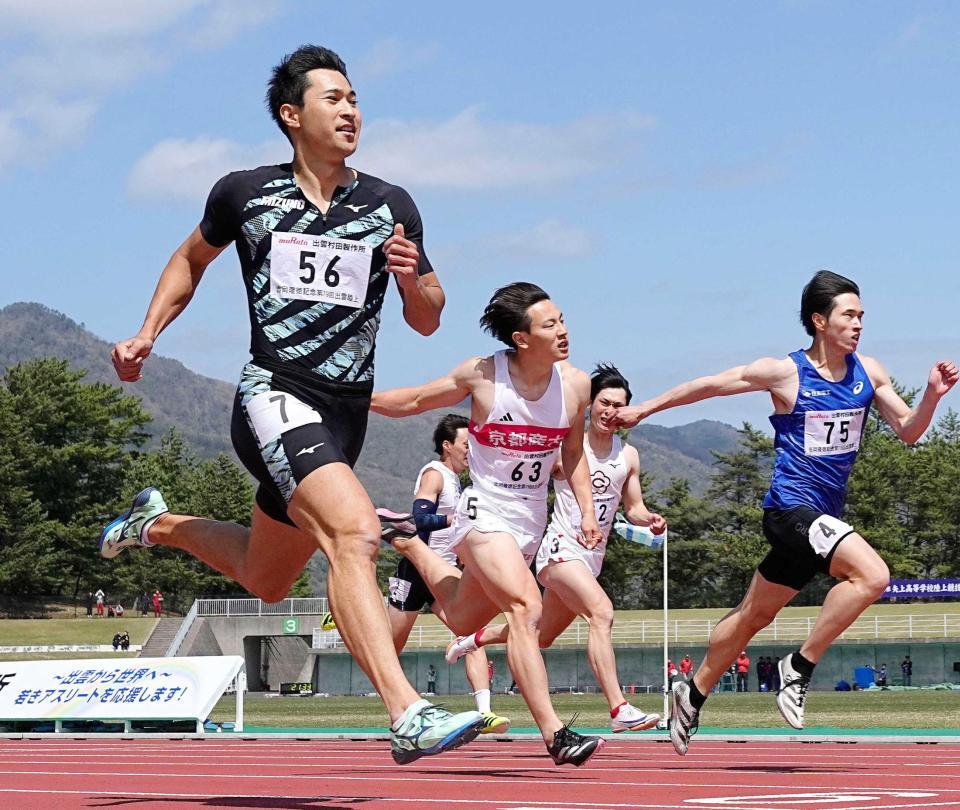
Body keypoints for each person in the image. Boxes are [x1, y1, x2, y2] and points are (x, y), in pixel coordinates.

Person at [98, 44, 482, 764]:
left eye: (355, 99)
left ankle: (157, 523)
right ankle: (406, 711)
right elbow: (190, 259)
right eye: (333, 98)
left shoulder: (390, 205)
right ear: (291, 114)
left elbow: (429, 314)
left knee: (266, 576)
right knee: (355, 533)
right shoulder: (244, 194)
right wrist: (146, 333)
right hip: (273, 394)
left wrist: (411, 281)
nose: (351, 111)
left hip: (346, 413)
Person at [615, 270, 958, 755]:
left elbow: (908, 431)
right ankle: (799, 667)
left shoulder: (869, 372)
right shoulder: (787, 372)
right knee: (873, 576)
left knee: (752, 615)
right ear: (820, 321)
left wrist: (932, 397)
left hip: (824, 518)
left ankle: (690, 695)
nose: (859, 324)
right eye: (849, 315)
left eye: (862, 315)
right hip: (790, 509)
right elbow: (712, 385)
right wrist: (643, 410)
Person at [371, 282, 606, 766]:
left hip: (530, 520)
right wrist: (350, 400)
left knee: (461, 616)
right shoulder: (484, 377)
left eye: (562, 319)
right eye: (550, 325)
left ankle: (412, 545)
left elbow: (574, 453)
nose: (563, 331)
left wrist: (585, 508)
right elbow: (415, 399)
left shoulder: (576, 386)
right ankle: (555, 734)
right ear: (521, 339)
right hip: (485, 512)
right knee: (526, 607)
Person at [446, 364, 662, 733]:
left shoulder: (629, 457)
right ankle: (619, 709)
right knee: (601, 613)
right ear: (589, 405)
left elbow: (633, 507)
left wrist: (649, 519)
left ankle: (476, 638)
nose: (610, 412)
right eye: (604, 403)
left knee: (542, 635)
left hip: (592, 558)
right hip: (560, 551)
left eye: (619, 406)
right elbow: (523, 471)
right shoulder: (566, 450)